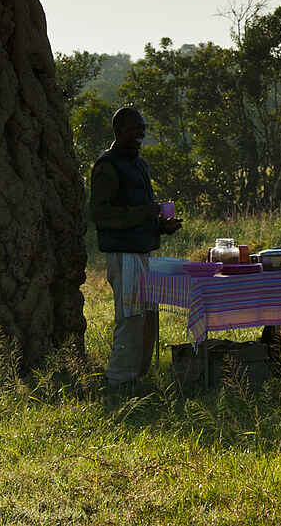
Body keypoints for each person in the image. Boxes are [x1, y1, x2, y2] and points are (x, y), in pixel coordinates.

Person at [89, 105, 181, 393]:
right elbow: (101, 215)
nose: (140, 133)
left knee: (147, 318)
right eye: (134, 128)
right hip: (124, 254)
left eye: (142, 128)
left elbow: (141, 214)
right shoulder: (107, 165)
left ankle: (138, 377)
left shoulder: (139, 165)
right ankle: (119, 380)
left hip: (143, 252)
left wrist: (160, 227)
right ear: (118, 131)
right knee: (130, 318)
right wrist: (144, 213)